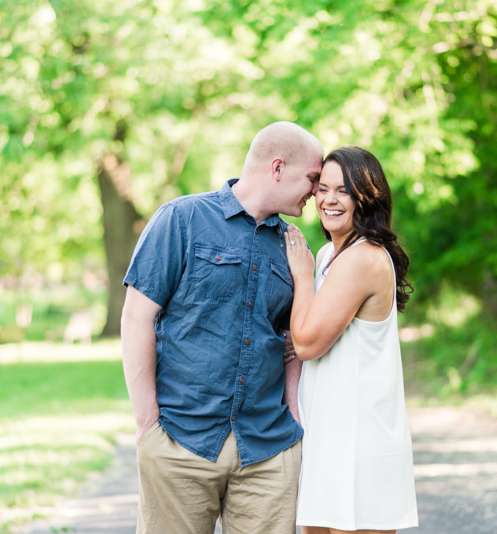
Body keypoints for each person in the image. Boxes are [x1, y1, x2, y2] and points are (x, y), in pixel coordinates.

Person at [121, 121, 323, 534]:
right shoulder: (182, 219)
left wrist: (297, 422)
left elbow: (292, 341)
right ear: (278, 167)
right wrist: (148, 426)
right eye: (313, 179)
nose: (317, 192)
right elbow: (135, 317)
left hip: (268, 451)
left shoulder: (295, 248)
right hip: (180, 441)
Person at [284, 146, 418, 533]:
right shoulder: (329, 254)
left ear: (367, 196)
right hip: (328, 439)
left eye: (342, 190)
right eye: (322, 188)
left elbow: (307, 344)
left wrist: (300, 275)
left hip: (360, 446)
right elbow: (308, 331)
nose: (328, 199)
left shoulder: (364, 257)